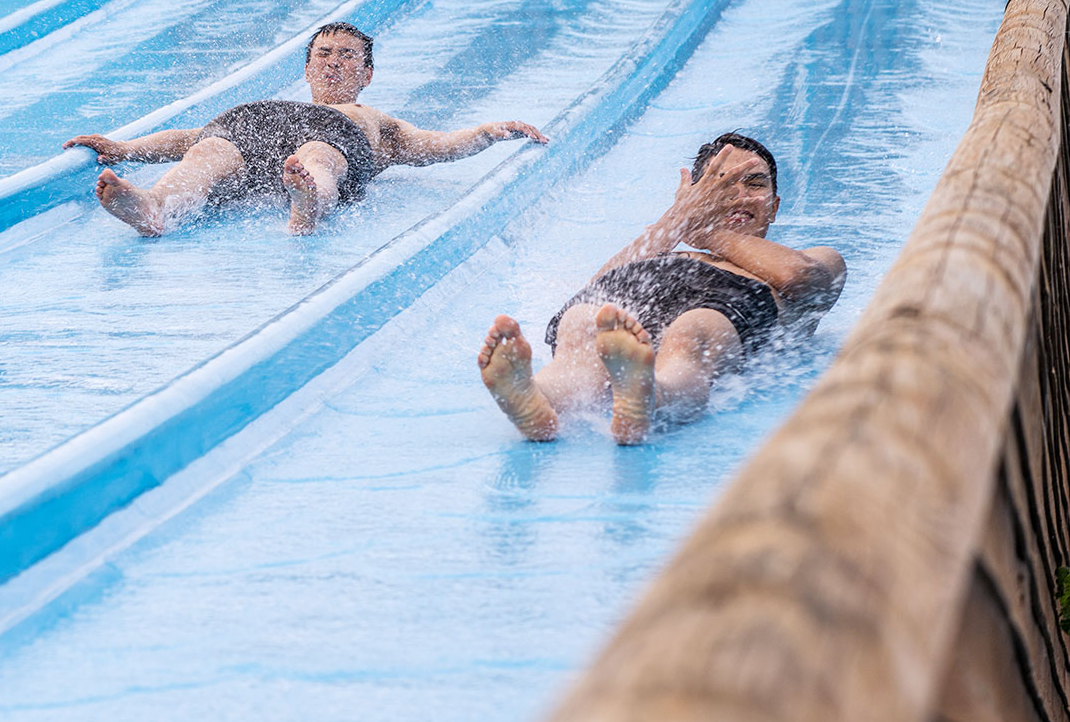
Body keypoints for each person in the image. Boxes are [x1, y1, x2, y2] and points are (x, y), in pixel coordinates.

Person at [476, 132, 846, 445]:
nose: (739, 195)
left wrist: (704, 231)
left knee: (691, 331)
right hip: (648, 282)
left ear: (775, 206)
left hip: (730, 297)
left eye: (755, 183)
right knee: (585, 322)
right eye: (721, 183)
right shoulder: (667, 247)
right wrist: (679, 218)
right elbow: (601, 283)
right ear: (696, 196)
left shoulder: (814, 257)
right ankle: (535, 398)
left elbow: (799, 278)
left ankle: (650, 394)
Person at [64, 22, 549, 237]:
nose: (333, 62)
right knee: (209, 149)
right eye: (323, 54)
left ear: (367, 74)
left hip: (333, 135)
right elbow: (185, 139)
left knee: (318, 155)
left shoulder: (373, 119)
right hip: (259, 127)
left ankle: (308, 203)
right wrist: (124, 147)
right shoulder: (279, 105)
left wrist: (489, 131)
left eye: (347, 56)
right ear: (307, 68)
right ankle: (154, 207)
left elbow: (437, 146)